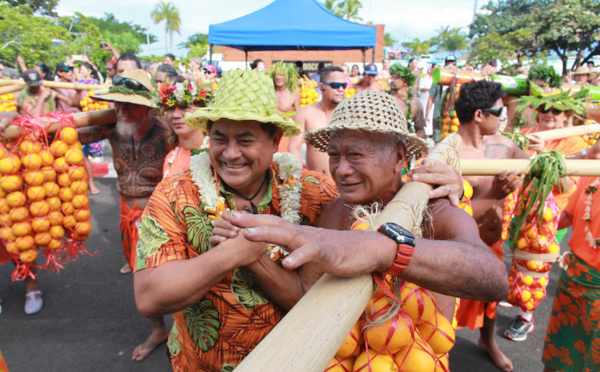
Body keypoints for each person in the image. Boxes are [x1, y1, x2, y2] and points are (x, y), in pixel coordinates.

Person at [132, 69, 488, 372]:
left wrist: (449, 187)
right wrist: (234, 254)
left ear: (275, 140)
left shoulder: (314, 192)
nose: (231, 153)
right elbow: (149, 299)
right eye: (220, 138)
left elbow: (483, 268)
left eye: (245, 139)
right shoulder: (176, 195)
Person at [80, 69, 171, 362]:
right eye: (116, 103)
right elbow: (62, 133)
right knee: (139, 275)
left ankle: (183, 331)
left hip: (159, 214)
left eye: (128, 104)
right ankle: (159, 330)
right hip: (125, 211)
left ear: (146, 105)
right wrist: (13, 121)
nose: (121, 109)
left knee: (164, 278)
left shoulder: (166, 133)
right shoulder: (110, 127)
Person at [454, 80, 531, 372]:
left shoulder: (502, 146)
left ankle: (488, 341)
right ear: (479, 115)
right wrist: (494, 195)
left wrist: (543, 154)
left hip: (491, 244)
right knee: (444, 304)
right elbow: (444, 214)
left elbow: (538, 171)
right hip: (455, 245)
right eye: (499, 111)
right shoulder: (449, 154)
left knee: (493, 294)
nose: (504, 117)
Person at [503, 89, 588, 342]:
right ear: (536, 112)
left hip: (552, 217)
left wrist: (543, 155)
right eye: (544, 109)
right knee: (518, 259)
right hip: (521, 212)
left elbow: (568, 186)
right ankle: (515, 294)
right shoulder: (528, 134)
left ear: (567, 116)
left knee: (537, 267)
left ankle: (526, 317)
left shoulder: (575, 143)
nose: (549, 115)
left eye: (557, 111)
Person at [541, 174, 600, 372]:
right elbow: (568, 215)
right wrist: (533, 229)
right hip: (573, 277)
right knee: (558, 349)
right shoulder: (592, 174)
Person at [289, 66, 346, 175]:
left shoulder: (349, 115)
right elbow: (293, 147)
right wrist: (299, 177)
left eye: (344, 85)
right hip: (315, 184)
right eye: (336, 85)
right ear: (321, 86)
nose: (341, 89)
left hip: (343, 185)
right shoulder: (304, 113)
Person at [158, 78, 209, 177]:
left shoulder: (215, 154)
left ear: (203, 111)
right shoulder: (170, 158)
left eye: (185, 107)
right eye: (171, 108)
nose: (175, 115)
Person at [269, 61, 301, 153]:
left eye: (282, 75)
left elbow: (299, 114)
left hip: (285, 135)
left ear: (288, 77)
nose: (278, 77)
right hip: (269, 133)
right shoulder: (269, 92)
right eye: (276, 74)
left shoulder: (294, 94)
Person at [388, 63, 426, 138]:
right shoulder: (383, 99)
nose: (392, 80)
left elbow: (420, 130)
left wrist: (418, 147)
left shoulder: (415, 103)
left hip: (403, 143)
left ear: (406, 82)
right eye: (391, 77)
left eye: (396, 78)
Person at [425, 56, 457, 142]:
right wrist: (427, 115)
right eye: (448, 63)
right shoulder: (439, 78)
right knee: (438, 142)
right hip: (438, 115)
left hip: (454, 118)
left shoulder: (459, 79)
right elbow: (431, 98)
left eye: (453, 63)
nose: (450, 65)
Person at [418, 63, 435, 137]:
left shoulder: (436, 79)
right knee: (424, 113)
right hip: (424, 98)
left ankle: (430, 132)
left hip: (432, 98)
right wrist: (431, 90)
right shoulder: (425, 77)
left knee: (431, 113)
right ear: (431, 69)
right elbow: (421, 88)